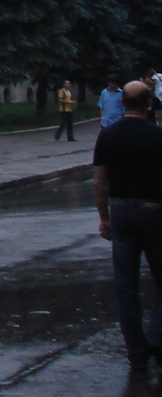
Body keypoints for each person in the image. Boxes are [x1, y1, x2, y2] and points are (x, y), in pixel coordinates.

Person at [93, 80, 162, 376]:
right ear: (149, 104)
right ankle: (158, 339)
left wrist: (104, 217)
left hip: (120, 212)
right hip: (154, 210)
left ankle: (136, 355)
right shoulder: (158, 136)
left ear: (122, 103)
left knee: (126, 286)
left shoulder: (107, 136)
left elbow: (99, 182)